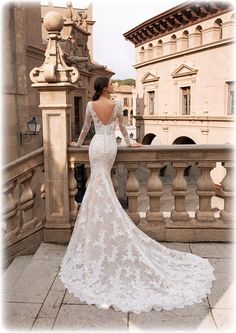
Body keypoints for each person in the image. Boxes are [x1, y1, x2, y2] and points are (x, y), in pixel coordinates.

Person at [59, 76, 215, 314]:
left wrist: (78, 143)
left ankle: (98, 228)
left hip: (96, 146)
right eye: (109, 84)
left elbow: (85, 131)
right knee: (101, 185)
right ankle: (105, 224)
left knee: (97, 184)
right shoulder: (117, 105)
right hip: (109, 146)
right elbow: (121, 128)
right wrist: (131, 143)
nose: (112, 86)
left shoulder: (91, 106)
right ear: (103, 88)